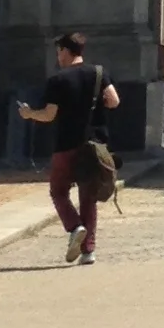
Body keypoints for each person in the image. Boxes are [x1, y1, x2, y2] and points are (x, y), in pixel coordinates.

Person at [17, 29, 121, 264]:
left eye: (58, 52)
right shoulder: (99, 73)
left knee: (59, 191)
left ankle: (74, 227)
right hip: (95, 144)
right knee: (88, 197)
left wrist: (28, 113)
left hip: (66, 143)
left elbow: (49, 114)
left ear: (65, 51)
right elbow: (114, 101)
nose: (58, 57)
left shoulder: (58, 80)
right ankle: (88, 251)